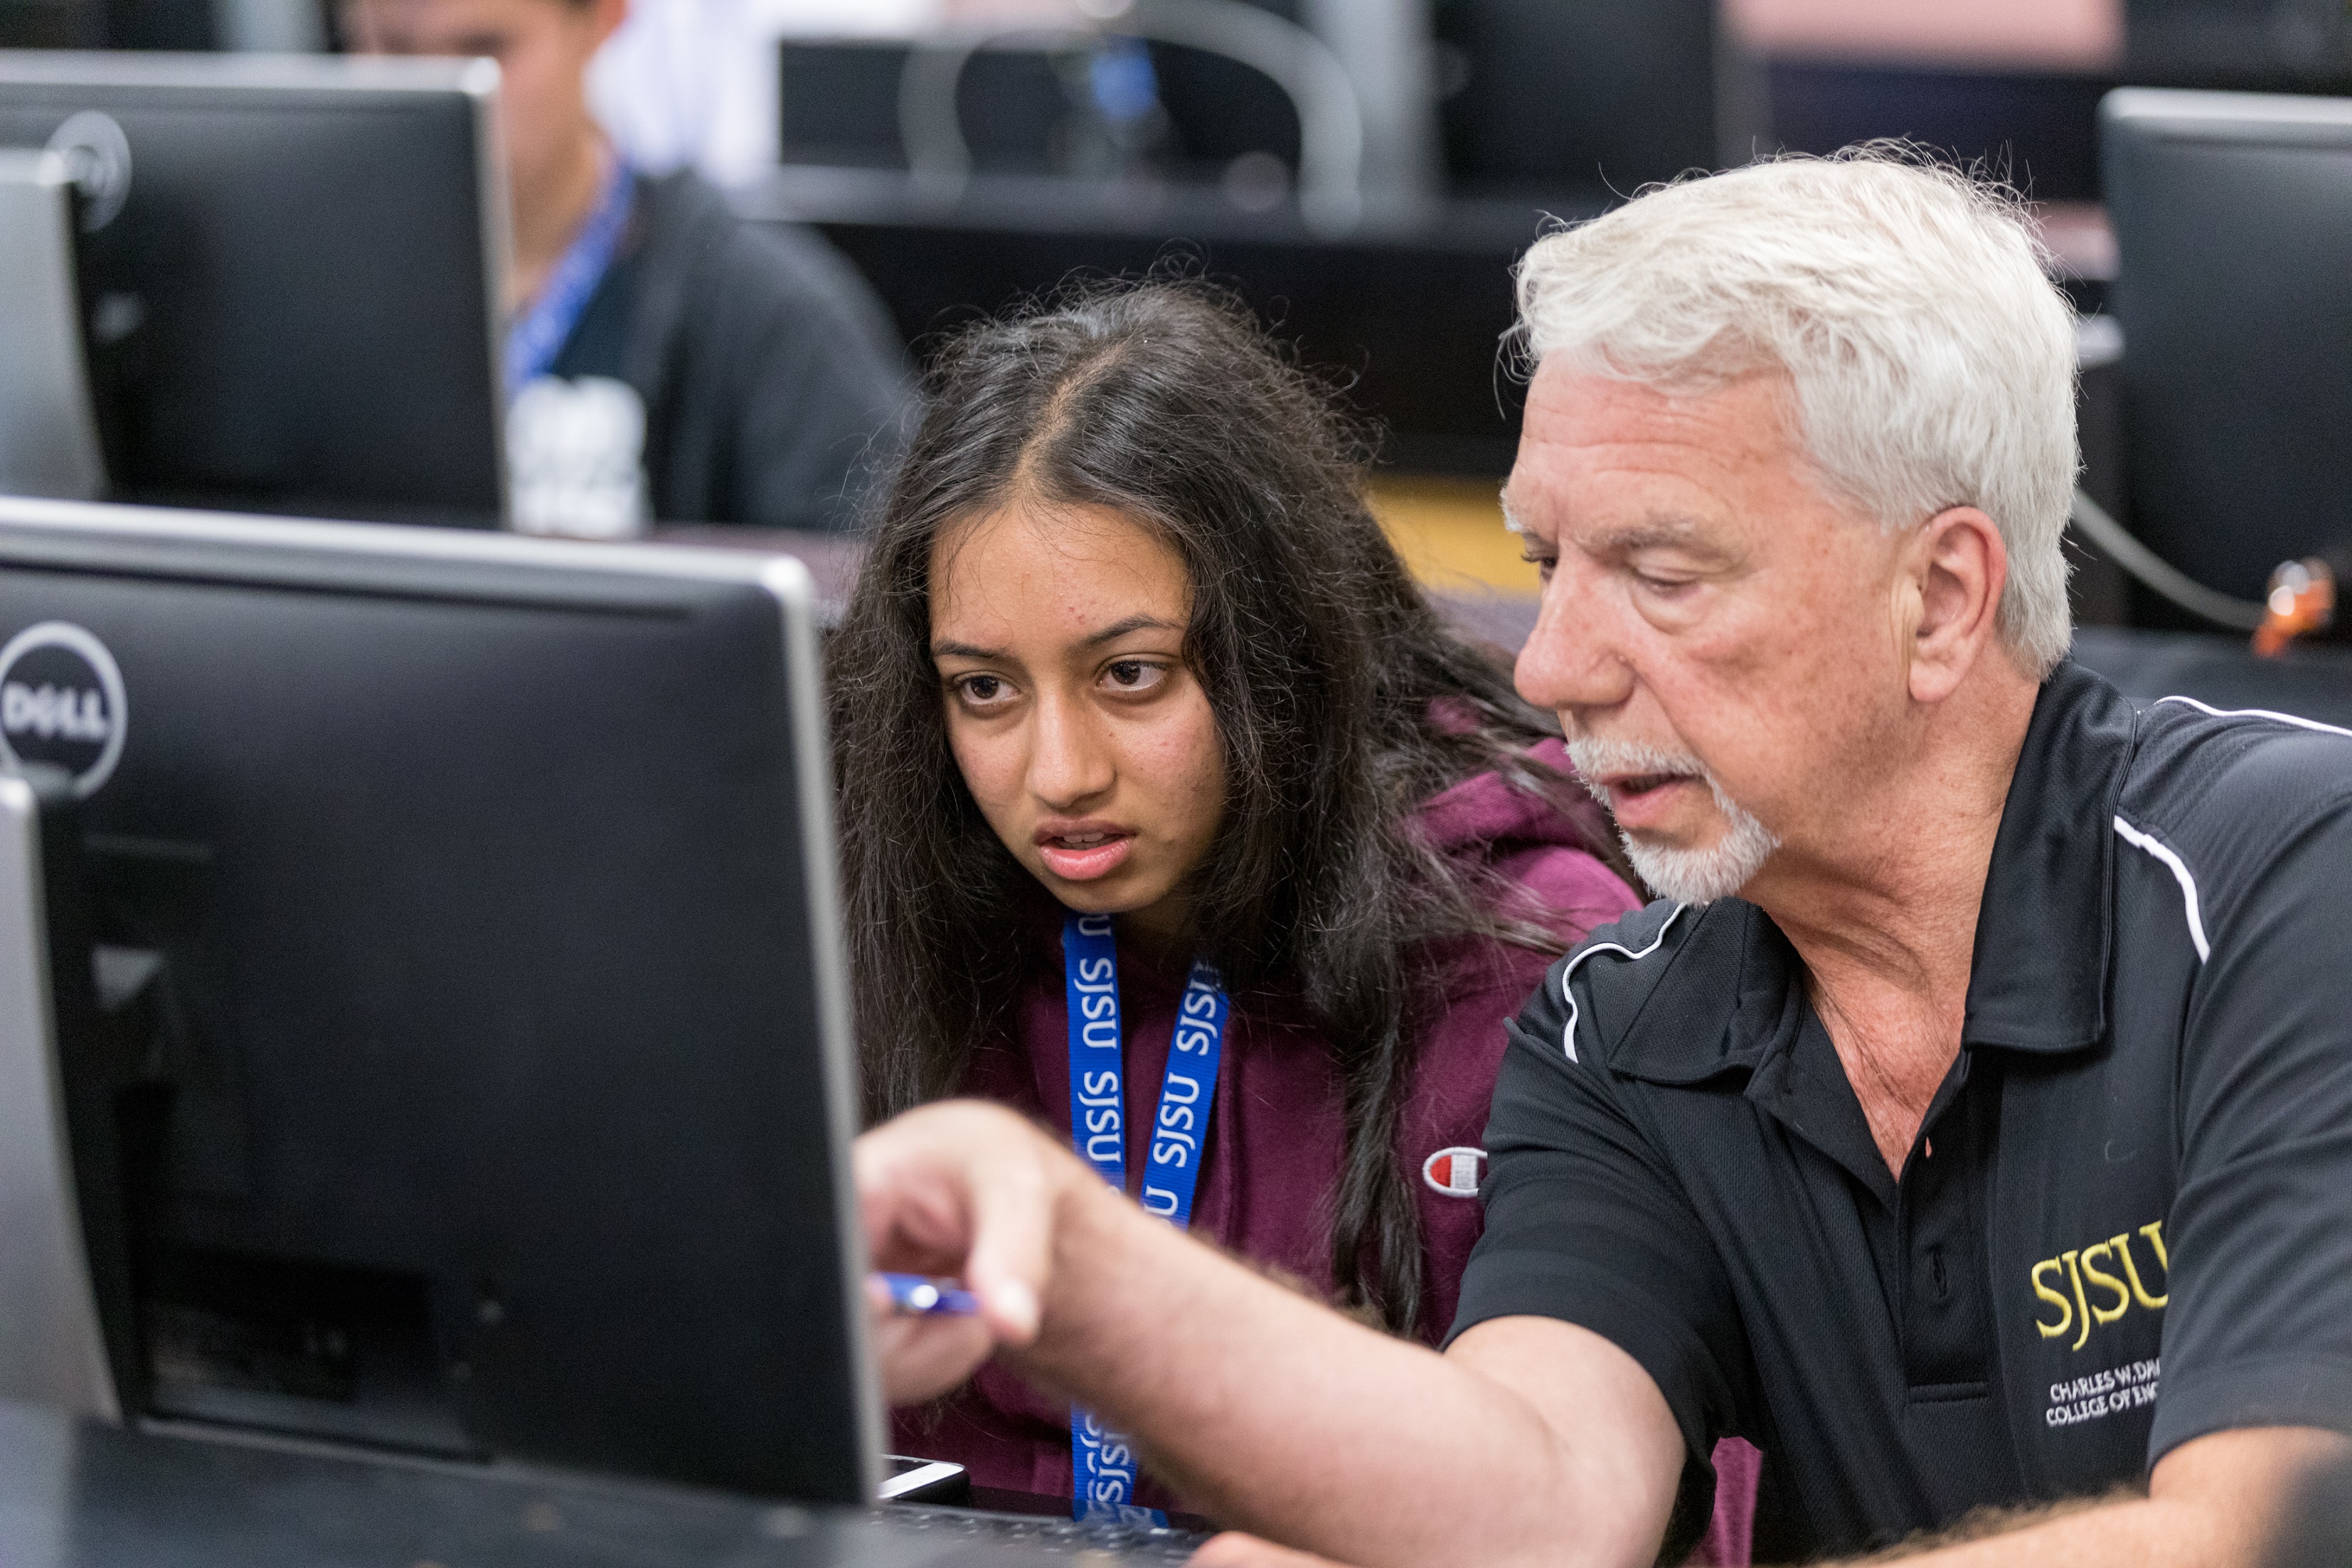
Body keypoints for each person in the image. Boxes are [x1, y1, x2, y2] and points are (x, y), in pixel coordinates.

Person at [853, 152, 2352, 1566]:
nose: (1557, 663)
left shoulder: (2285, 874)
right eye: (1544, 566)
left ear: (1943, 596)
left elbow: (2257, 1533)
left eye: (1660, 571)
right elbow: (1538, 1500)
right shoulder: (1614, 1024)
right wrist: (1066, 1254)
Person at [827, 284, 1776, 1550]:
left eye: (1129, 676)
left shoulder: (1529, 955)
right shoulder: (888, 920)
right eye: (983, 690)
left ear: (1275, 652)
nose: (1057, 771)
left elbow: (1621, 1503)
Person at [343, 0, 908, 535]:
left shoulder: (765, 311)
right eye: (392, 47)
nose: (440, 92)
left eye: (485, 49)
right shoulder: (302, 289)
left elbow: (872, 586)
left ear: (603, 18)